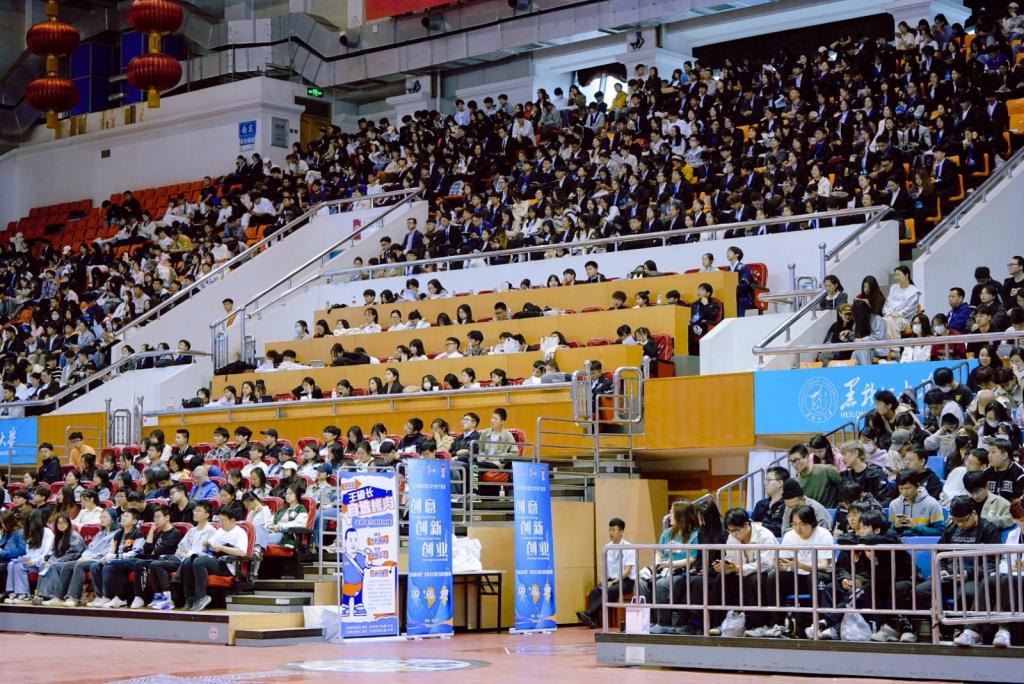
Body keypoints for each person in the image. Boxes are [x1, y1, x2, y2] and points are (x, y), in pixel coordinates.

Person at [807, 509, 916, 643]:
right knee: (866, 589)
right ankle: (886, 627)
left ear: (876, 530)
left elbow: (884, 541)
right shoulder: (865, 543)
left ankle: (907, 629)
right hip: (881, 580)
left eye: (864, 528)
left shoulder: (891, 538)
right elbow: (843, 540)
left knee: (896, 588)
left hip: (905, 579)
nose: (860, 531)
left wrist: (864, 545)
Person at [914, 496, 1000, 647]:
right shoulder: (952, 528)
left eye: (963, 520)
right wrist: (942, 569)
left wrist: (968, 574)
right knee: (921, 591)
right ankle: (938, 629)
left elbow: (992, 563)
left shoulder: (988, 529)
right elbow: (939, 552)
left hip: (974, 577)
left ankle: (965, 631)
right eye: (956, 520)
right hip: (950, 575)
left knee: (966, 594)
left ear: (974, 513)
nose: (959, 524)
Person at [748, 505, 834, 638]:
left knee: (814, 577)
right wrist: (780, 565)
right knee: (774, 577)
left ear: (812, 522)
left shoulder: (823, 534)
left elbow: (823, 566)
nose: (798, 529)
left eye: (802, 524)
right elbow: (786, 564)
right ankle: (778, 623)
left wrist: (799, 564)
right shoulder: (789, 535)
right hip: (797, 575)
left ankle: (819, 624)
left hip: (819, 575)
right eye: (794, 524)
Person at [708, 508, 778, 636]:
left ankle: (759, 625)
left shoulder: (765, 536)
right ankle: (722, 622)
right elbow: (731, 558)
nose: (733, 534)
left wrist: (738, 568)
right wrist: (725, 566)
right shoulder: (732, 536)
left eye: (736, 530)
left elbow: (766, 564)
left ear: (746, 524)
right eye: (730, 531)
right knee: (722, 578)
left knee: (754, 580)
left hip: (765, 574)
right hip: (740, 571)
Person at [177, 506, 248, 611]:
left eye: (224, 520)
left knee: (199, 562)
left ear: (232, 520)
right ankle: (189, 598)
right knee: (188, 561)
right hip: (216, 560)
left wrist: (222, 548)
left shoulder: (240, 532)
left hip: (228, 565)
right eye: (220, 520)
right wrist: (207, 543)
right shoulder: (220, 531)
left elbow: (242, 552)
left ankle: (201, 597)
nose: (221, 523)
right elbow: (211, 543)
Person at [647, 500, 699, 634]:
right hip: (664, 568)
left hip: (681, 571)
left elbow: (691, 559)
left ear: (681, 516)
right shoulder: (667, 533)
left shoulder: (695, 534)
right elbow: (659, 553)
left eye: (672, 512)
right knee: (641, 582)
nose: (669, 515)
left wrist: (669, 564)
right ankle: (648, 620)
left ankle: (663, 623)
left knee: (661, 584)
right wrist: (656, 565)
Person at [577, 517, 636, 629]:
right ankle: (592, 620)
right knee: (595, 591)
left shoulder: (629, 547)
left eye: (614, 530)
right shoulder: (607, 548)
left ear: (621, 532)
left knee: (609, 590)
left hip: (626, 581)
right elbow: (604, 569)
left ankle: (588, 614)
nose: (611, 533)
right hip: (611, 580)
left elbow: (627, 571)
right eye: (610, 530)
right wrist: (604, 581)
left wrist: (613, 582)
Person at [85, 508, 145, 607]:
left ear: (134, 521)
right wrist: (106, 557)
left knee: (111, 564)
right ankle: (100, 596)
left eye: (127, 516)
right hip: (117, 560)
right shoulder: (118, 534)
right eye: (123, 516)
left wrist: (116, 556)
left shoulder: (138, 534)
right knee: (95, 566)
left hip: (133, 560)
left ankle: (110, 596)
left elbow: (136, 552)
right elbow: (111, 550)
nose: (123, 518)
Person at [28, 513, 84, 605]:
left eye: (64, 522)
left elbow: (73, 554)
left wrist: (55, 561)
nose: (61, 525)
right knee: (43, 565)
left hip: (71, 562)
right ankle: (40, 594)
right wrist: (50, 561)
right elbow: (54, 552)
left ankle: (50, 595)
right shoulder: (58, 536)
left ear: (69, 523)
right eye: (59, 523)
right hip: (59, 561)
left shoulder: (75, 537)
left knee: (54, 566)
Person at [888, 470, 945, 537]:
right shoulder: (894, 505)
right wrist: (894, 526)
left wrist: (916, 527)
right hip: (900, 542)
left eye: (908, 488)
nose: (904, 492)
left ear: (917, 485)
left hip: (923, 542)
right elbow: (888, 532)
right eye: (901, 488)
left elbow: (941, 532)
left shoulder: (932, 504)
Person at [789, 443, 841, 508]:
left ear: (807, 457)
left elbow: (845, 487)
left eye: (797, 460)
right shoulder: (797, 483)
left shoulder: (827, 470)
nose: (794, 464)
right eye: (791, 461)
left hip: (831, 512)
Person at [882, 265, 922, 339]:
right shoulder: (893, 287)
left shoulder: (914, 291)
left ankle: (895, 345)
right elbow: (887, 304)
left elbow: (910, 309)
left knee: (890, 321)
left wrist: (897, 314)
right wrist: (888, 313)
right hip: (890, 317)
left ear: (906, 275)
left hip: (906, 319)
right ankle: (887, 345)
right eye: (895, 275)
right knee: (883, 320)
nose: (896, 277)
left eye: (898, 275)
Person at [751, 467, 789, 536]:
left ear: (780, 483)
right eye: (765, 480)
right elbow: (751, 525)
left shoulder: (788, 504)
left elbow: (784, 529)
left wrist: (761, 525)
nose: (765, 484)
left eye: (769, 480)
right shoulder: (760, 504)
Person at [985, 437, 1024, 501]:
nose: (989, 455)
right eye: (989, 452)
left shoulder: (1019, 472)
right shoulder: (987, 472)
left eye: (993, 452)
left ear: (1004, 455)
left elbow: (1019, 501)